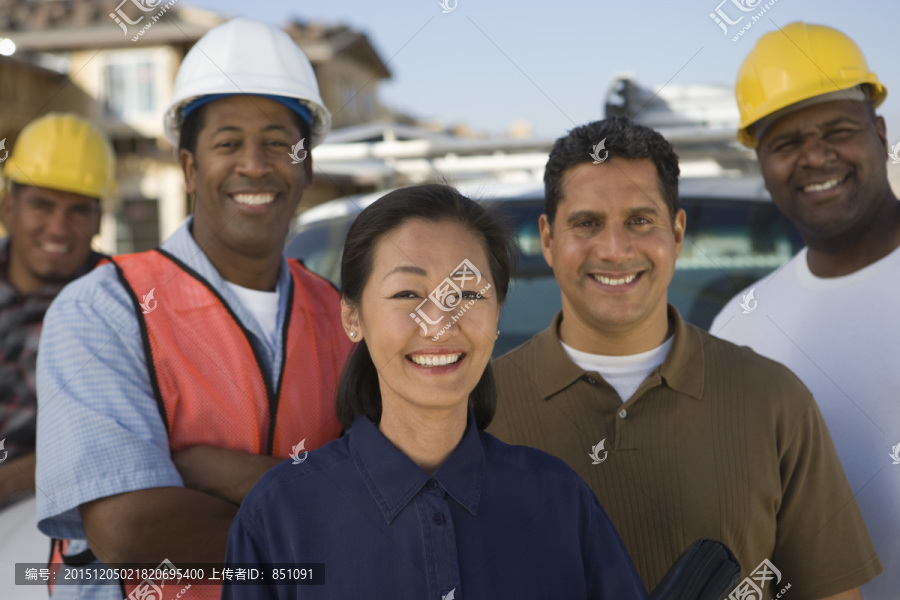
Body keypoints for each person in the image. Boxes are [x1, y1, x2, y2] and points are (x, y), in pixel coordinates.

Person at [487, 116, 882, 599]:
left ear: (676, 233)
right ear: (548, 239)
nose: (614, 249)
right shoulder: (476, 408)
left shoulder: (775, 401)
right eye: (587, 223)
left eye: (640, 220)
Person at [34, 18, 351, 600]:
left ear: (305, 167)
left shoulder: (341, 316)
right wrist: (322, 516)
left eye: (279, 143)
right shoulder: (104, 308)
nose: (254, 165)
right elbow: (128, 529)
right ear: (188, 168)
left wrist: (215, 472)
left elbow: (389, 493)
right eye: (228, 143)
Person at [222, 184, 648, 600]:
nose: (439, 323)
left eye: (465, 295)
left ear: (497, 311)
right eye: (408, 293)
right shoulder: (280, 515)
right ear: (353, 316)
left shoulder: (559, 502)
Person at [711, 22, 899, 599]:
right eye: (786, 144)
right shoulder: (741, 326)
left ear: (881, 133)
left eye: (838, 130)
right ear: (762, 163)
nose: (815, 157)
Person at [0, 112, 112, 599]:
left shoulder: (124, 304)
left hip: (50, 508)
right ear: (8, 208)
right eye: (42, 205)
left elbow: (108, 445)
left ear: (98, 220)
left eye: (77, 211)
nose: (58, 227)